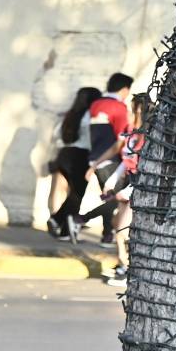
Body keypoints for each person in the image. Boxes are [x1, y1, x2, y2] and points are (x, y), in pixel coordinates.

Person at [91, 91, 150, 286]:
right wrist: (112, 181)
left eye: (132, 111)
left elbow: (145, 168)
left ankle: (127, 270)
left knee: (123, 230)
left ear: (140, 111)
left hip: (140, 187)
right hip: (128, 185)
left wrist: (130, 189)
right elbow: (126, 161)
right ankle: (124, 265)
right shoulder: (131, 133)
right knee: (119, 226)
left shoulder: (148, 137)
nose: (128, 114)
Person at [82, 73, 133, 242]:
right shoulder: (119, 108)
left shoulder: (96, 104)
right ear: (124, 89)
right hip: (110, 160)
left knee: (110, 197)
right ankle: (82, 219)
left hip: (95, 158)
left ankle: (107, 235)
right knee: (116, 199)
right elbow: (120, 140)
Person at [47, 85, 101, 240]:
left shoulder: (70, 114)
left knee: (74, 194)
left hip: (64, 154)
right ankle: (58, 221)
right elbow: (93, 137)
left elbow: (57, 135)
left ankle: (65, 230)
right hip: (80, 155)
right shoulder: (91, 116)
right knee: (77, 194)